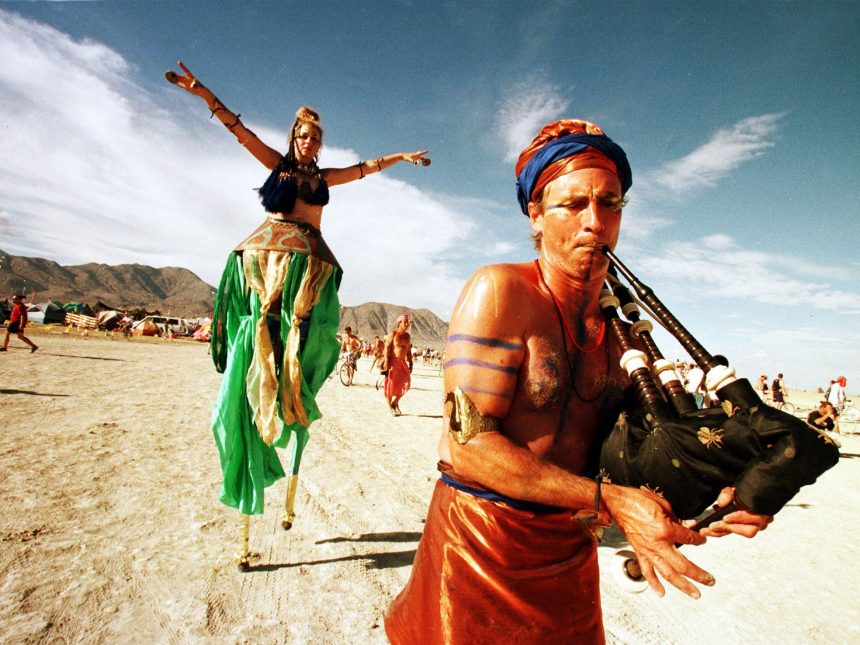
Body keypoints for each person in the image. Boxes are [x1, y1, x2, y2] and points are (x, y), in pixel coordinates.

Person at [385, 119, 771, 643]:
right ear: (536, 213)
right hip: (479, 547)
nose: (596, 222)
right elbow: (468, 446)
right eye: (574, 204)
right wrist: (612, 502)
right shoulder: (501, 292)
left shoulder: (625, 335)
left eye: (611, 204)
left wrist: (723, 493)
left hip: (570, 553)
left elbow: (641, 452)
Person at [166, 62, 429, 548]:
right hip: (273, 259)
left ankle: (293, 395)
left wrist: (401, 157)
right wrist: (203, 94)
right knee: (264, 332)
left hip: (311, 264)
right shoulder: (278, 165)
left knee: (311, 338)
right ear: (294, 137)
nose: (309, 142)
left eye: (316, 138)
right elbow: (240, 133)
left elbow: (365, 169)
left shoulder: (324, 175)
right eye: (304, 136)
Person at [383, 313, 413, 416]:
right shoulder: (393, 334)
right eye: (405, 322)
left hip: (403, 363)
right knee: (390, 384)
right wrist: (386, 362)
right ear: (399, 323)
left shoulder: (407, 336)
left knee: (406, 383)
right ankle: (389, 408)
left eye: (407, 322)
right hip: (393, 362)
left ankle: (395, 402)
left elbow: (408, 350)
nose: (407, 324)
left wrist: (411, 362)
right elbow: (386, 347)